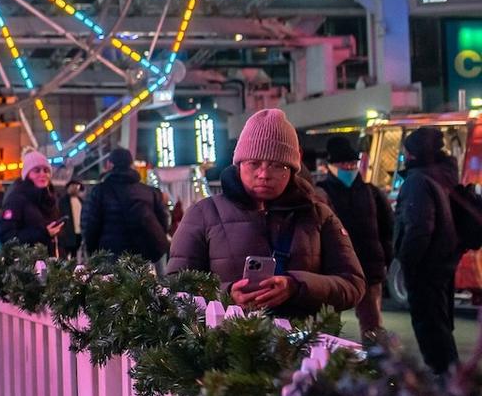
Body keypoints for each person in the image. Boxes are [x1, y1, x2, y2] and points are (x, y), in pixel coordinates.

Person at [166, 108, 364, 315]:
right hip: (224, 342)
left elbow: (352, 286)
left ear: (293, 169)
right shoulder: (204, 214)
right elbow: (176, 287)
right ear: (239, 164)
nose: (264, 174)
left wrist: (296, 286)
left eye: (277, 166)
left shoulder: (319, 216)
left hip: (300, 343)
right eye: (254, 163)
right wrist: (226, 295)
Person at [394, 126, 460, 375]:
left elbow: (419, 226)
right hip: (444, 262)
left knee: (431, 331)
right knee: (442, 328)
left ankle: (445, 394)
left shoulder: (417, 181)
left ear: (414, 153)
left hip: (425, 268)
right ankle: (453, 384)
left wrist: (406, 261)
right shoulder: (444, 175)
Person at [316, 136, 393, 343]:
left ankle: (378, 367)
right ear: (331, 166)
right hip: (334, 270)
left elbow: (386, 229)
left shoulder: (371, 192)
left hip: (369, 268)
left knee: (372, 324)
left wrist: (385, 258)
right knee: (329, 325)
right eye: (343, 164)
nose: (349, 168)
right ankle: (327, 366)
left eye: (352, 163)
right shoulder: (322, 193)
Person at [81, 146, 172, 261]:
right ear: (131, 164)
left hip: (110, 254)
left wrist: (93, 252)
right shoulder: (150, 192)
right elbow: (164, 221)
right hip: (144, 253)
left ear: (109, 164)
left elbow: (90, 225)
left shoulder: (99, 192)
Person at [0, 151, 63, 250]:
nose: (42, 174)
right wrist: (42, 233)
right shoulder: (16, 198)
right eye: (36, 170)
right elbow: (5, 235)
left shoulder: (50, 197)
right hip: (26, 262)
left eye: (46, 170)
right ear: (27, 174)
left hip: (50, 260)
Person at [58, 180, 86, 257]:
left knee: (76, 253)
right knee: (65, 253)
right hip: (67, 232)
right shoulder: (63, 201)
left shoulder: (81, 201)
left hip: (79, 232)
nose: (75, 189)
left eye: (76, 187)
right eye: (72, 187)